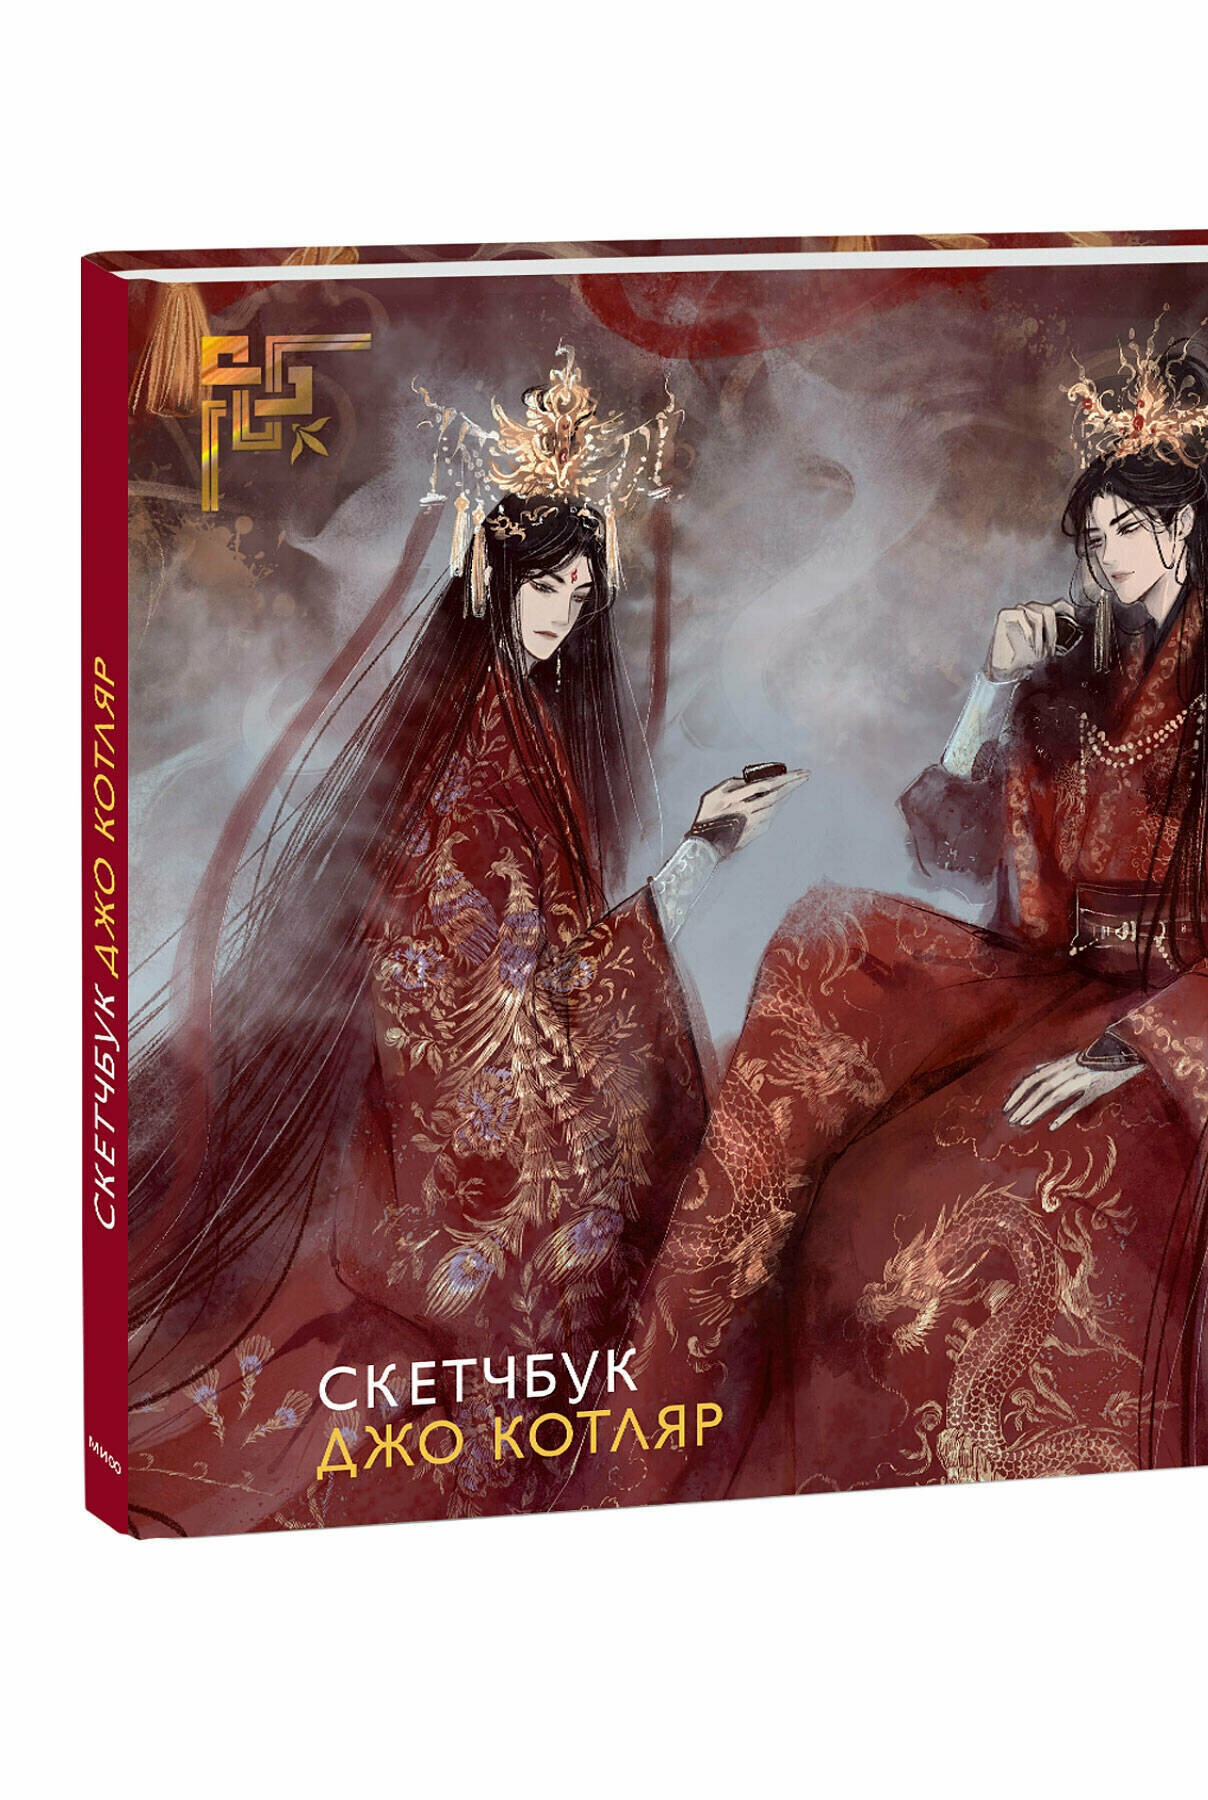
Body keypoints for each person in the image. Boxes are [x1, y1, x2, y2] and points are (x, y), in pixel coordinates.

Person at [569, 340, 1208, 1509]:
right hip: (1065, 997)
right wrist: (987, 688)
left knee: (967, 1233)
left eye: (1124, 530)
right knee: (853, 1135)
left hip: (1202, 1037)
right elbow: (959, 846)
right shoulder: (1077, 687)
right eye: (1093, 535)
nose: (1103, 556)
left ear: (1183, 528)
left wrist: (1137, 1044)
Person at [126, 351, 805, 1534]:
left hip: (491, 1079)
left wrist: (694, 854)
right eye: (544, 586)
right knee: (631, 1251)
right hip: (452, 1119)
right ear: (492, 579)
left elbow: (547, 969)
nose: (562, 614)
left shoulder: (518, 722)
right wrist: (702, 851)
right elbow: (504, 990)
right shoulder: (484, 756)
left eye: (580, 593)